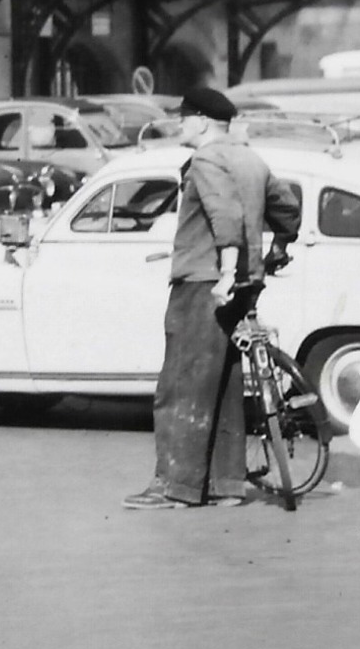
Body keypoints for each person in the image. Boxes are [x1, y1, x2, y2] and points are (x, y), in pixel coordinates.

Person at [122, 86, 304, 510]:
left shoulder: (205, 159)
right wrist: (275, 249)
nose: (180, 126)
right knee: (222, 386)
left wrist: (223, 271)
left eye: (184, 119)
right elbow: (288, 210)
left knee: (182, 385)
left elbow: (226, 217)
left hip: (204, 284)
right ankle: (225, 485)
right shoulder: (250, 158)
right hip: (245, 285)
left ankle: (174, 487)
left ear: (201, 121)